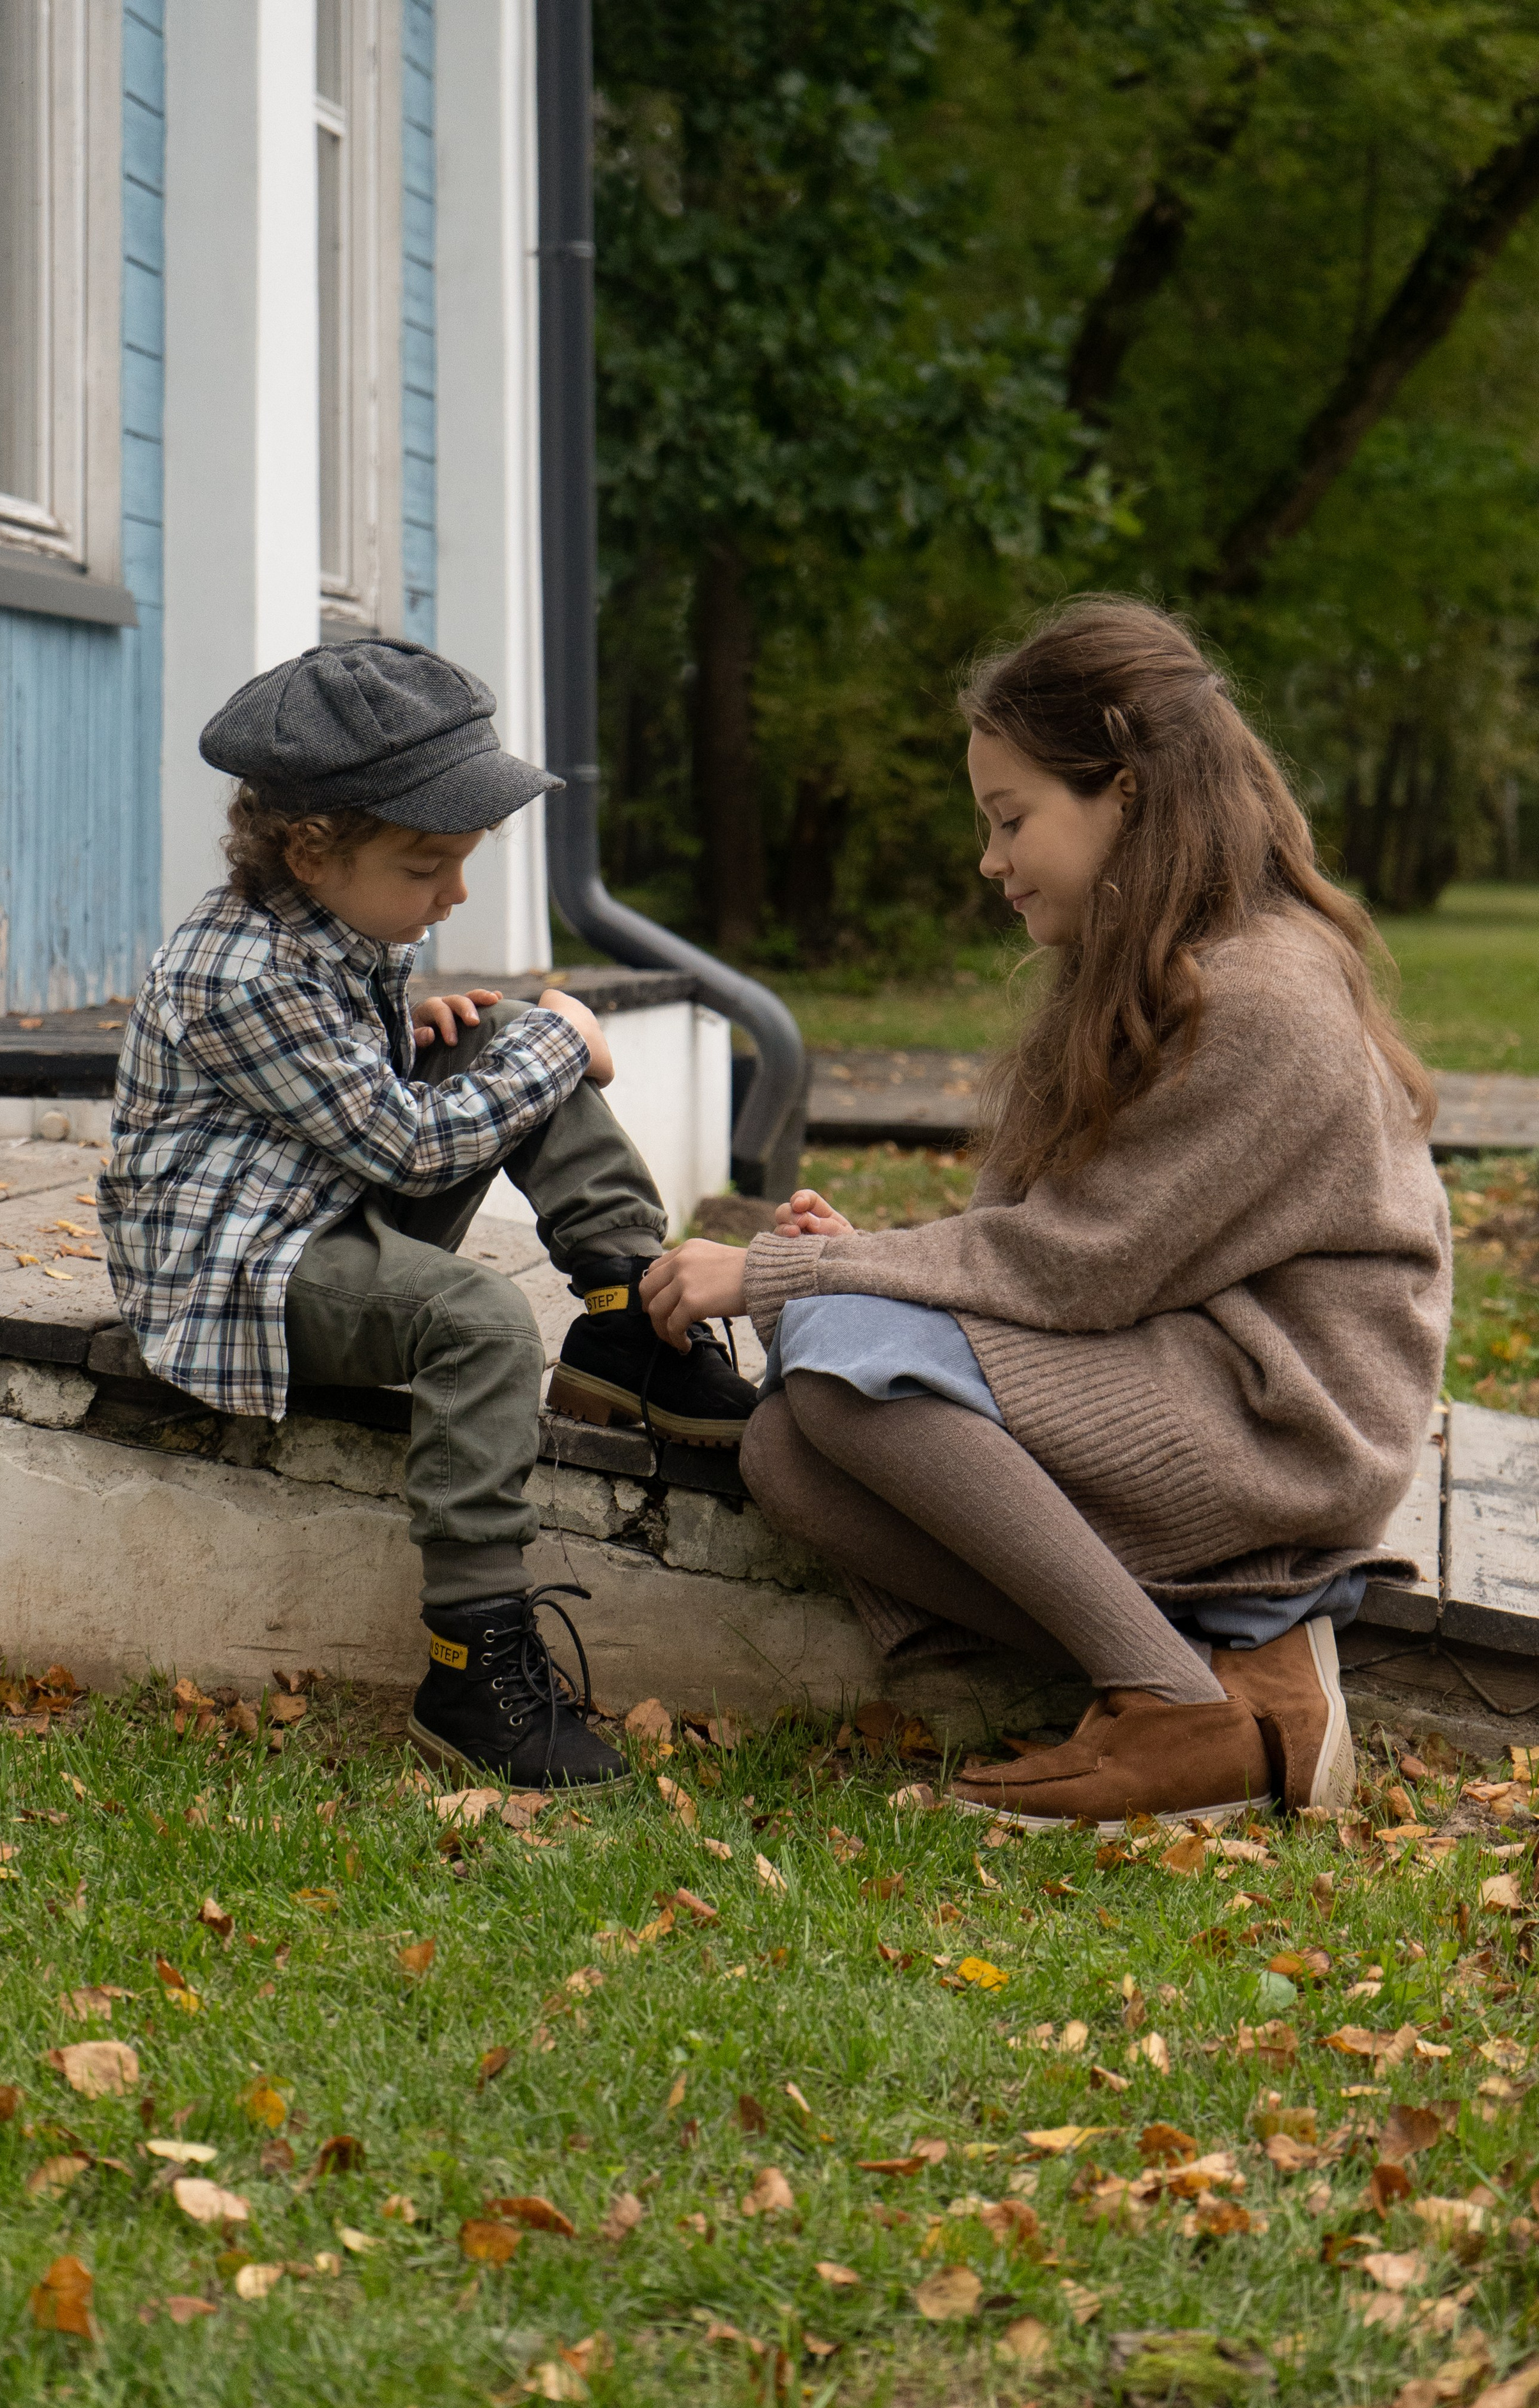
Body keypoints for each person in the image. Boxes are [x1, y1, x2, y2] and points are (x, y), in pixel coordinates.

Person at [641, 597, 1450, 1827]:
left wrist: (790, 1278)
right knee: (787, 1452)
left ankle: (1173, 1713)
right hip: (1184, 1354)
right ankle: (1222, 1664)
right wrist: (872, 1264)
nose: (991, 860)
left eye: (1012, 819)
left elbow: (1075, 1267)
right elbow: (1055, 1235)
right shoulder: (1150, 960)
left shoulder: (1261, 995)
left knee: (847, 1358)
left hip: (1285, 1413)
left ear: (1123, 791)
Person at [99, 640, 755, 1790]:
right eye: (428, 867)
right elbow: (405, 1145)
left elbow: (351, 1104)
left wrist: (423, 1039)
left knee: (498, 1039)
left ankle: (621, 1316)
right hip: (243, 1273)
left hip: (317, 1204)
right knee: (484, 1321)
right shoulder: (236, 974)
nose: (453, 894)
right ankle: (471, 1664)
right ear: (311, 845)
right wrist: (562, 1037)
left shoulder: (339, 924)